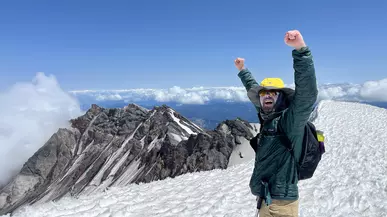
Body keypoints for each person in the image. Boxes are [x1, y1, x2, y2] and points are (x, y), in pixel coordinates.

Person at [234, 30, 318, 217]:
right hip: (267, 198)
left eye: (273, 92)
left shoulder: (290, 121)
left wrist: (300, 50)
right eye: (264, 93)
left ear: (282, 98)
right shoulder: (268, 118)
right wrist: (243, 71)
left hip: (280, 205)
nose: (267, 96)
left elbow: (307, 95)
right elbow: (255, 94)